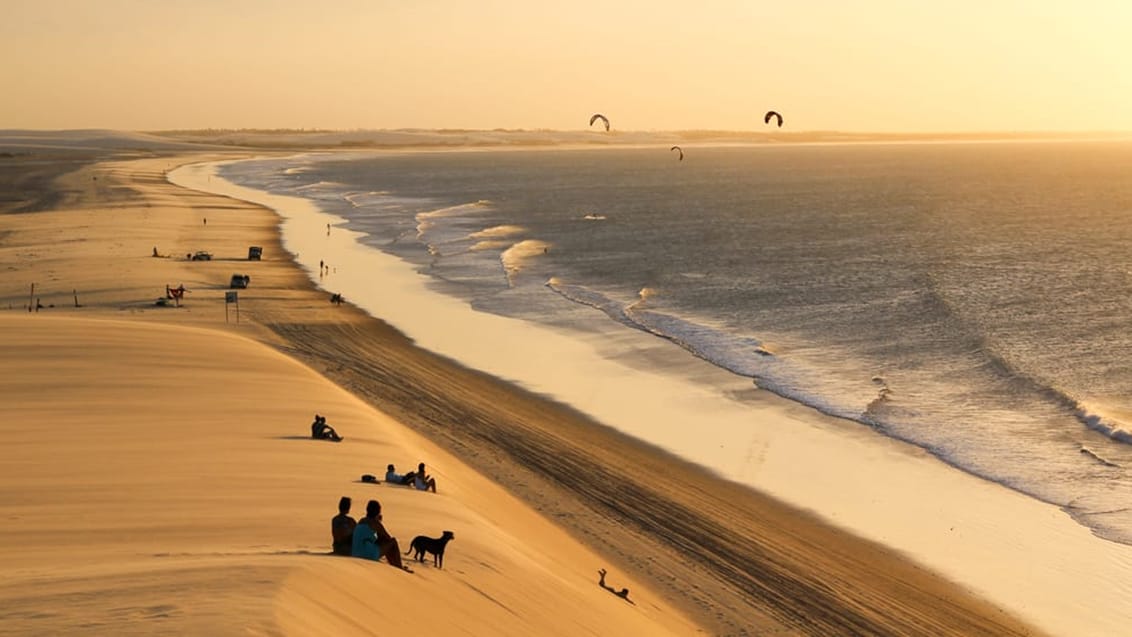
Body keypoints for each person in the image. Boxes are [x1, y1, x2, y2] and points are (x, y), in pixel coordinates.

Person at [351, 499, 411, 571]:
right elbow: (387, 538)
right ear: (378, 512)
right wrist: (379, 522)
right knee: (393, 542)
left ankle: (395, 565)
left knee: (381, 541)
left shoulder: (361, 520)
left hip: (355, 552)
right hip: (367, 554)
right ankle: (398, 567)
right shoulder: (375, 523)